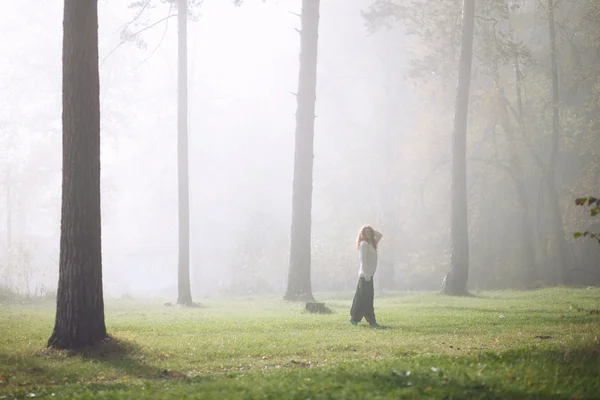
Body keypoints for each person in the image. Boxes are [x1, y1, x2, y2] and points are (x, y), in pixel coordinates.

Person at [350, 225, 383, 327]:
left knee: (362, 298)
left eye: (369, 232)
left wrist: (371, 229)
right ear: (362, 234)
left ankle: (355, 318)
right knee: (366, 299)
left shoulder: (371, 243)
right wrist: (366, 274)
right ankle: (370, 321)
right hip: (365, 276)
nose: (368, 234)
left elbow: (379, 235)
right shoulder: (364, 244)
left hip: (369, 275)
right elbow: (363, 260)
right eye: (366, 232)